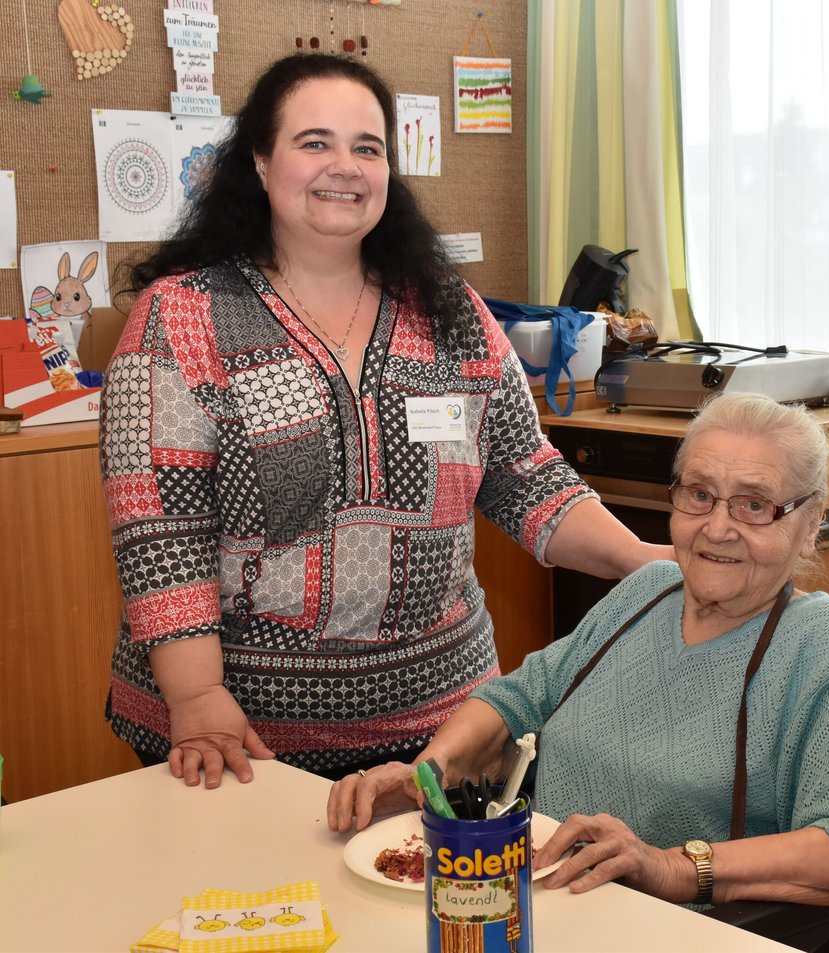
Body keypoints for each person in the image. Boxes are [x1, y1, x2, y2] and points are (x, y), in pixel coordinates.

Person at [98, 52, 670, 791]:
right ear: (261, 164)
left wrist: (638, 558)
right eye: (315, 143)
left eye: (367, 147)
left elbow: (525, 475)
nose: (345, 166)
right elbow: (160, 536)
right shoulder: (182, 316)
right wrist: (197, 697)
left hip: (441, 736)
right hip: (238, 744)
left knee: (453, 910)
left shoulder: (449, 311)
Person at [327, 392, 829, 912]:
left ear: (810, 524)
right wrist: (430, 773)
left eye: (754, 505)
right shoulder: (647, 591)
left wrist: (670, 868)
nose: (717, 527)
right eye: (700, 494)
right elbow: (518, 700)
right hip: (542, 905)